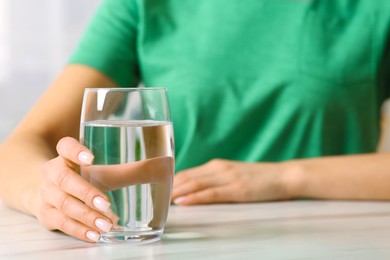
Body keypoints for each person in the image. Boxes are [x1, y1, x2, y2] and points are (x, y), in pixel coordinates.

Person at [1, 0, 390, 243]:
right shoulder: (144, 5)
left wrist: (283, 177)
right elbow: (20, 149)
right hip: (179, 242)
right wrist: (46, 194)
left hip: (332, 242)